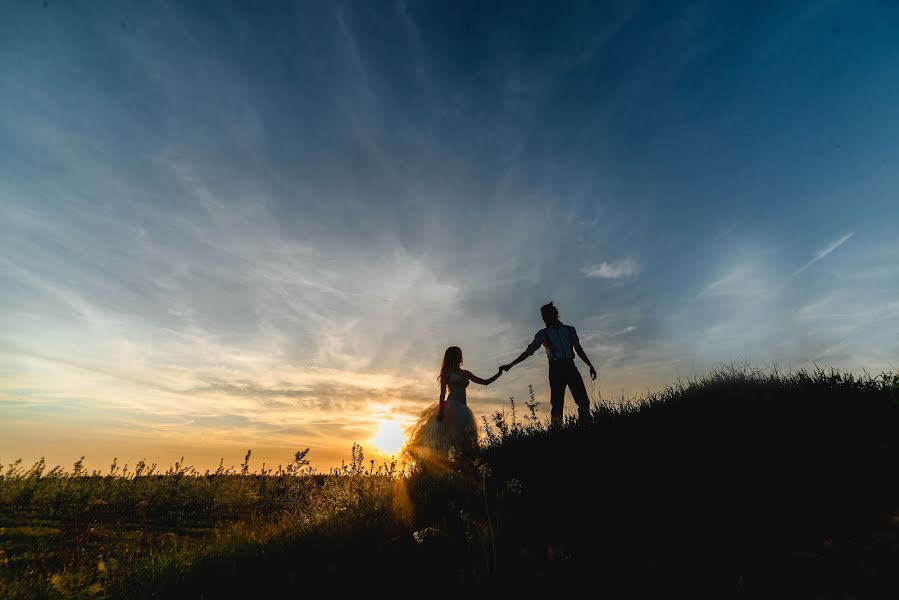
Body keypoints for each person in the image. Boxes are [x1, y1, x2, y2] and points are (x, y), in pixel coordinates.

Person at [501, 302, 597, 426]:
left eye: (546, 315)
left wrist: (590, 365)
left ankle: (586, 424)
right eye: (543, 316)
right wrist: (511, 364)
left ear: (555, 314)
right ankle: (556, 430)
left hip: (570, 366)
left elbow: (578, 349)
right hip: (556, 368)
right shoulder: (543, 334)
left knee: (583, 400)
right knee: (557, 403)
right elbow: (529, 351)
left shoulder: (569, 330)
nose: (544, 318)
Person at [405, 346, 502, 464]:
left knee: (465, 438)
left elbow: (484, 382)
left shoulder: (465, 373)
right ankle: (445, 465)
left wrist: (499, 373)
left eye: (460, 354)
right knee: (448, 438)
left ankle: (462, 464)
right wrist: (440, 412)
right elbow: (442, 395)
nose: (459, 356)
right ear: (451, 357)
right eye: (456, 354)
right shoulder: (446, 373)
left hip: (464, 408)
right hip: (451, 407)